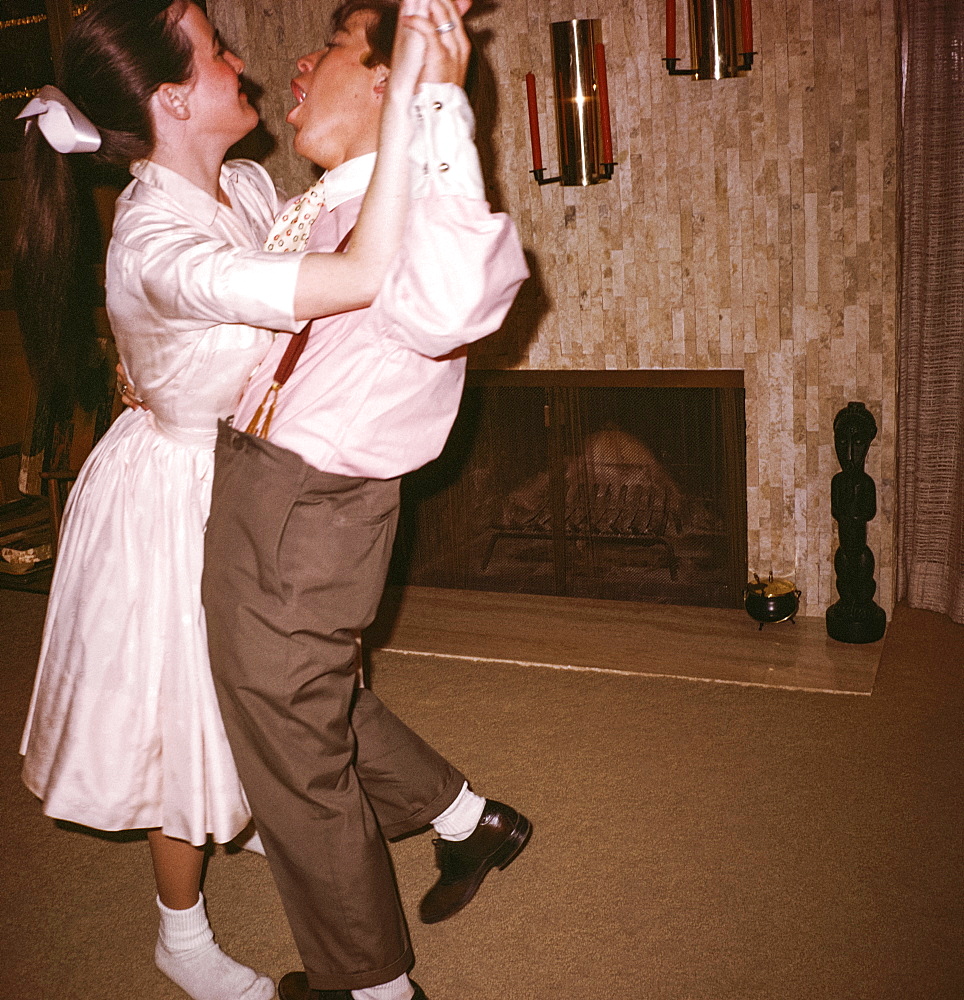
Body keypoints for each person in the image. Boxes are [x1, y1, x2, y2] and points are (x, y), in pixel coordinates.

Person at [14, 2, 455, 998]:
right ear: (173, 98)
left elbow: (292, 298)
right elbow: (348, 275)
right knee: (185, 710)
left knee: (263, 693)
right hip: (176, 493)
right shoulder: (149, 245)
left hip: (248, 467)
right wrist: (420, 98)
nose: (242, 61)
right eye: (217, 51)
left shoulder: (250, 181)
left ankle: (338, 815)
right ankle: (181, 937)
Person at [200, 4, 531, 1000]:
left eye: (333, 47)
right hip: (266, 487)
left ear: (387, 81)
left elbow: (451, 303)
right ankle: (473, 821)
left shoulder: (418, 211)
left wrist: (438, 100)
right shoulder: (330, 205)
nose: (294, 63)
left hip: (308, 505)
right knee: (310, 700)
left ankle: (376, 989)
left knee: (294, 757)